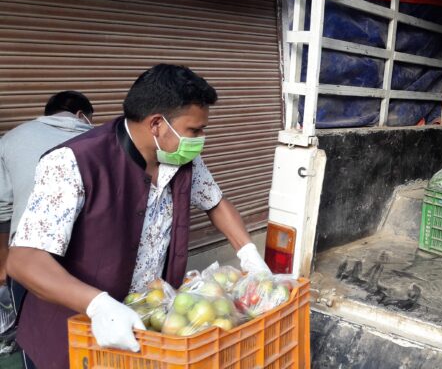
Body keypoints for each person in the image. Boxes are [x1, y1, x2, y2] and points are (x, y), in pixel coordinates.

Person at [6, 64, 271, 368]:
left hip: (144, 325)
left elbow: (215, 203)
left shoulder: (182, 160)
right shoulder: (73, 163)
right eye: (194, 131)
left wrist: (250, 256)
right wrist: (98, 305)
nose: (200, 140)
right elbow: (24, 259)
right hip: (74, 332)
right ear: (157, 124)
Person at [0, 91, 95, 284]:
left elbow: (3, 208)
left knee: (29, 311)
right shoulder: (99, 140)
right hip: (89, 252)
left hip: (27, 254)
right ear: (80, 115)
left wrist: (4, 263)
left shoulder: (11, 139)